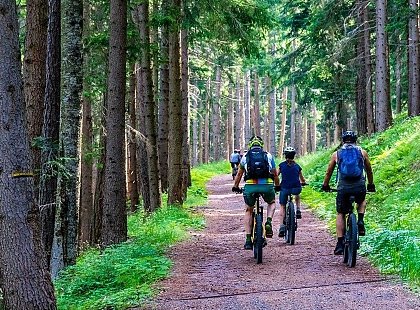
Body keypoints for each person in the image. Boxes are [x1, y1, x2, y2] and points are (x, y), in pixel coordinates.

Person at [321, 130, 376, 255]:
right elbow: (369, 170)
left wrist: (325, 185)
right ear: (355, 140)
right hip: (359, 186)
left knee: (341, 212)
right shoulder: (362, 152)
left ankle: (340, 243)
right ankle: (360, 220)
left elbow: (329, 172)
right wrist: (371, 184)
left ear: (343, 140)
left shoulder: (337, 154)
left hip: (343, 188)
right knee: (361, 200)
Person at [232, 136, 281, 250]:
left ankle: (248, 240)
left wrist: (235, 186)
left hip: (251, 187)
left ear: (250, 145)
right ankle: (268, 222)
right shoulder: (268, 156)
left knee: (248, 209)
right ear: (261, 145)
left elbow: (239, 174)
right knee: (272, 202)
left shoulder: (245, 157)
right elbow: (274, 173)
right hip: (267, 186)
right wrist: (277, 186)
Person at [277, 146, 307, 237]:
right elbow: (302, 179)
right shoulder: (297, 166)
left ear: (285, 156)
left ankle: (282, 226)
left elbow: (276, 176)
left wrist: (276, 185)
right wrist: (303, 183)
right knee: (297, 194)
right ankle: (298, 209)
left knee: (282, 206)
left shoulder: (281, 165)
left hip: (284, 188)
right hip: (296, 188)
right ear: (294, 156)